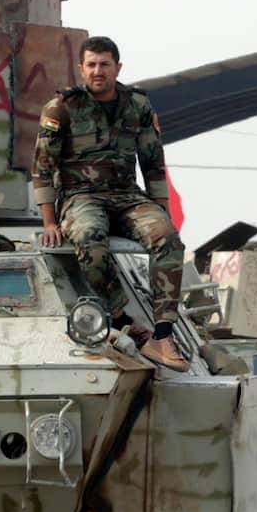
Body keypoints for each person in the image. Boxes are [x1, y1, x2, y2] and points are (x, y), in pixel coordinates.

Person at [33, 36, 187, 371]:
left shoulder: (138, 106)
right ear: (81, 69)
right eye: (91, 64)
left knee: (169, 239)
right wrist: (49, 222)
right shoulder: (62, 108)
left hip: (127, 195)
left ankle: (163, 336)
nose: (97, 71)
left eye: (104, 64)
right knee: (90, 239)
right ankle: (123, 319)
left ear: (118, 67)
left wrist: (163, 209)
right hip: (80, 197)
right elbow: (42, 168)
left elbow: (152, 162)